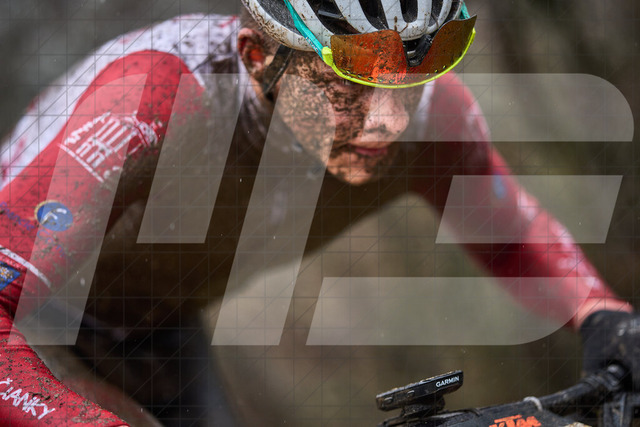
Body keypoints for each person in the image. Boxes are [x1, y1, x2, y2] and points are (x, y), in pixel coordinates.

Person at [0, 0, 637, 425]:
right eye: (350, 85)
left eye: (411, 81)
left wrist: (602, 315)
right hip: (33, 321)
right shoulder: (153, 96)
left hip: (159, 329)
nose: (389, 122)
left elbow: (509, 233)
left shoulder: (435, 119)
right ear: (258, 57)